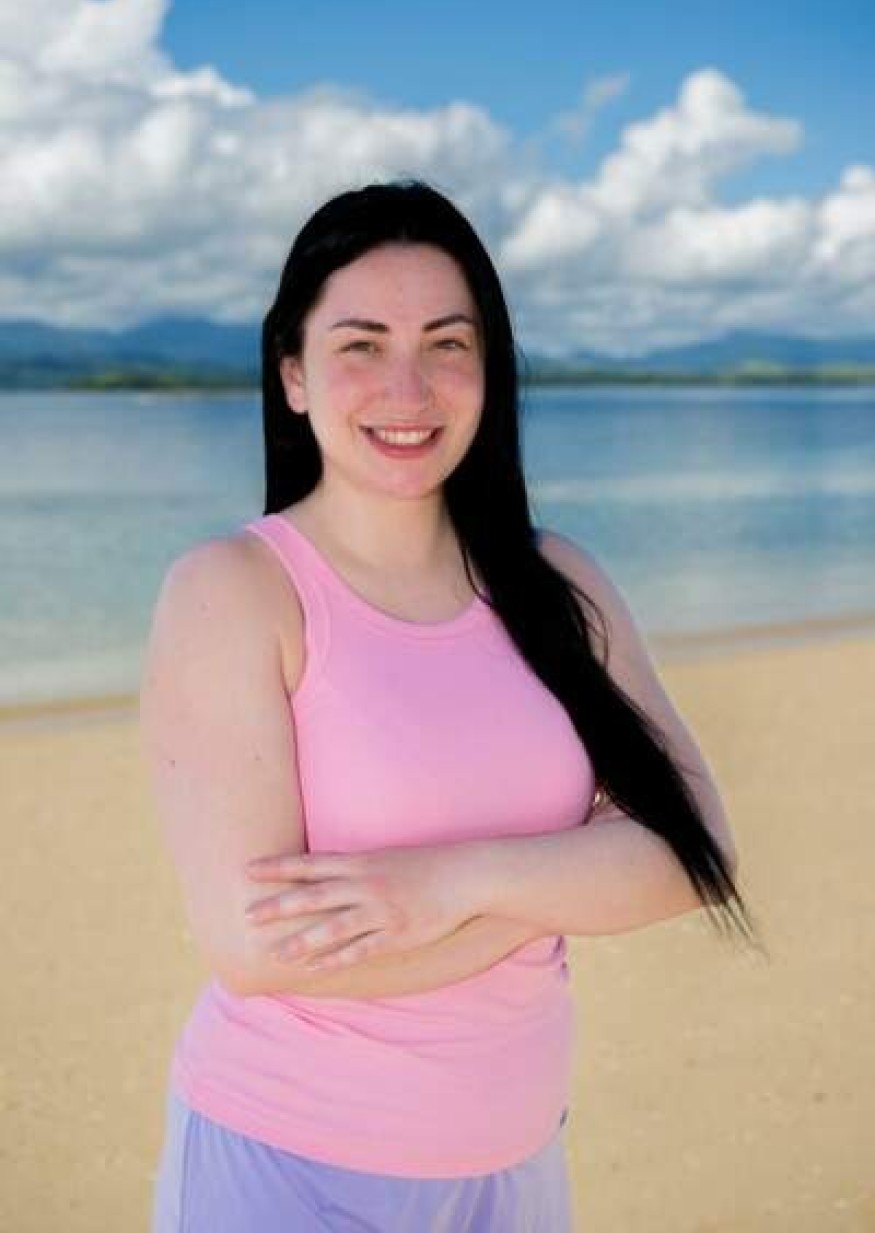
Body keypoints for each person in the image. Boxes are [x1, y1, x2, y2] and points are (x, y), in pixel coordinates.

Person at [140, 178, 756, 1231]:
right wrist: (559, 888)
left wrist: (450, 883)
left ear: (489, 367)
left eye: (446, 343)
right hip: (289, 1166)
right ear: (293, 373)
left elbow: (696, 849)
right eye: (361, 344)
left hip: (515, 1166)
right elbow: (254, 948)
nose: (408, 386)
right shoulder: (235, 591)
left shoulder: (556, 580)